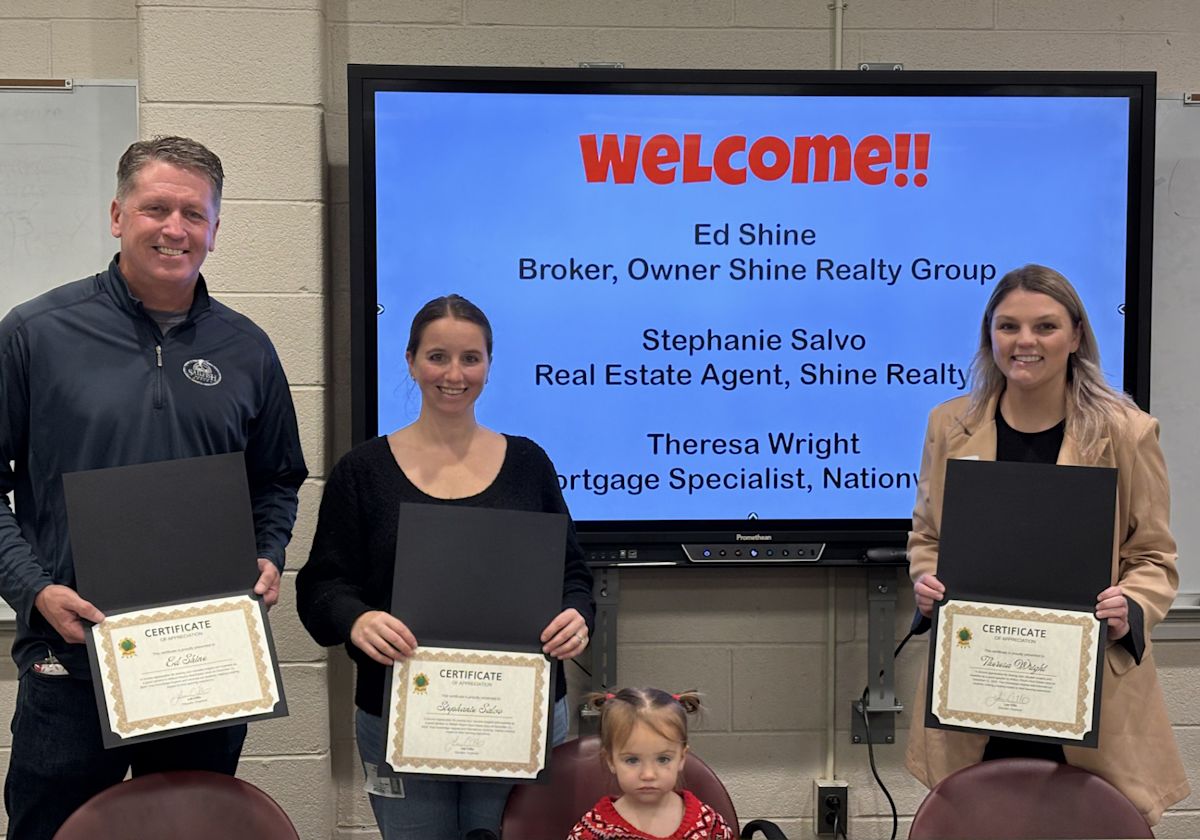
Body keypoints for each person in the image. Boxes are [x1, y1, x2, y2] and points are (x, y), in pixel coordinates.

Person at [0, 136, 308, 839]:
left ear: (215, 230)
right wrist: (35, 591)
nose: (175, 229)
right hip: (73, 655)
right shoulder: (34, 335)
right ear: (117, 215)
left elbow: (278, 478)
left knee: (191, 830)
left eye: (194, 214)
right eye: (156, 208)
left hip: (206, 657)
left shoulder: (248, 348)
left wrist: (267, 553)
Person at [296, 293, 595, 839]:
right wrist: (357, 620)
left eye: (470, 358)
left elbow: (573, 573)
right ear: (410, 361)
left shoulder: (529, 463)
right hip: (401, 716)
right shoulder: (363, 472)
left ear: (488, 364)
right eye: (437, 357)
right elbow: (321, 586)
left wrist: (578, 613)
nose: (453, 374)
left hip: (516, 714)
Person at [906, 264, 1189, 824]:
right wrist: (926, 579)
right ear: (990, 334)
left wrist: (1129, 604)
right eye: (1008, 326)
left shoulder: (1126, 431)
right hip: (978, 684)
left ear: (1077, 336)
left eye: (1045, 326)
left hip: (1087, 696)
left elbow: (1154, 557)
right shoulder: (949, 424)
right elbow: (927, 537)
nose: (1025, 342)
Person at [568, 687, 733, 840]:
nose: (648, 774)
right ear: (610, 760)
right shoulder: (592, 831)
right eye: (632, 760)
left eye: (663, 759)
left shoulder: (708, 824)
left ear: (682, 758)